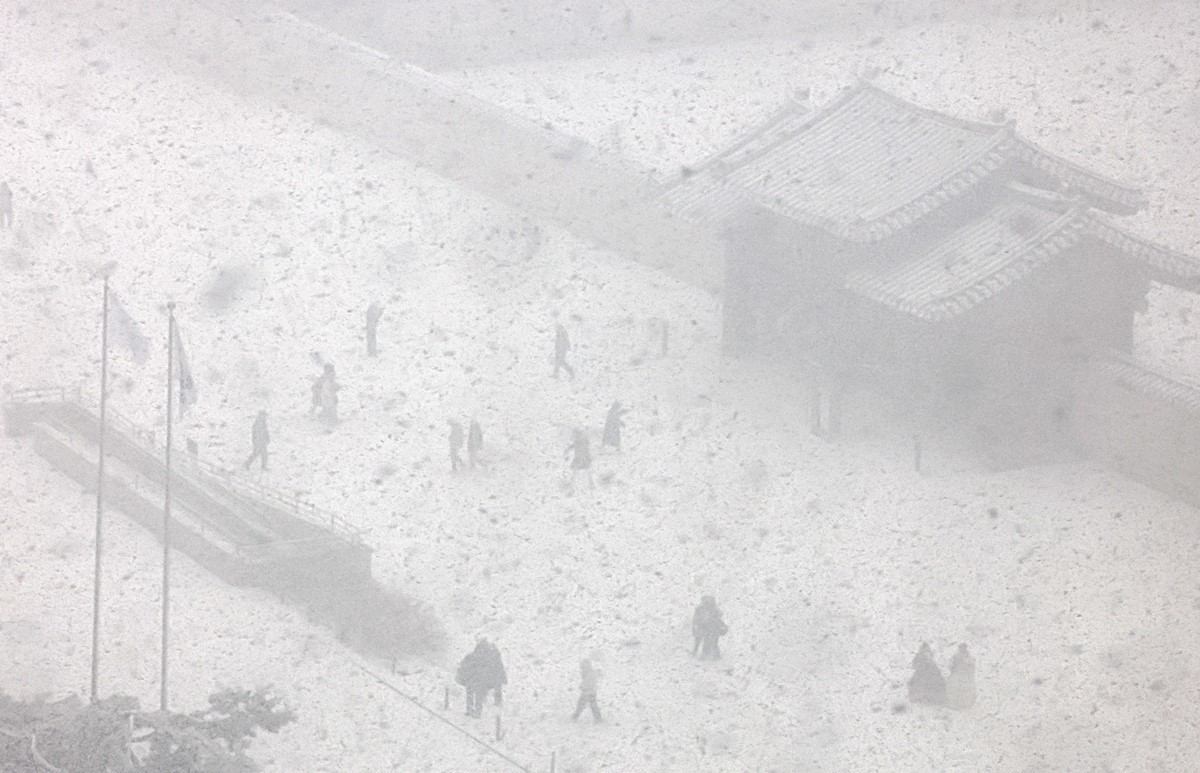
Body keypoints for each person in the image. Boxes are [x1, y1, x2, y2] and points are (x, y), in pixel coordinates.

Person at [455, 640, 490, 717]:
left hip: (470, 679)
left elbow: (463, 666)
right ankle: (477, 712)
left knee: (470, 695)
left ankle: (470, 710)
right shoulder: (486, 659)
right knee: (478, 696)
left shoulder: (470, 656)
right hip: (479, 680)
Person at [692, 595, 728, 659]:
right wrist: (696, 625)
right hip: (703, 627)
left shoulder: (713, 609)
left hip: (712, 628)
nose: (707, 603)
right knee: (701, 640)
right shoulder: (700, 609)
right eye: (706, 602)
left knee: (711, 642)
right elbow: (696, 618)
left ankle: (711, 655)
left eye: (709, 602)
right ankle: (699, 653)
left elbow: (719, 616)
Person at [945, 643, 976, 710]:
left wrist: (969, 669)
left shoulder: (968, 656)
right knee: (955, 688)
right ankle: (955, 704)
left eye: (964, 648)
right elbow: (951, 665)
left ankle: (964, 704)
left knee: (965, 690)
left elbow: (972, 665)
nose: (963, 649)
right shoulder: (956, 656)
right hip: (957, 674)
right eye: (962, 648)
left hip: (965, 676)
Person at [480, 640, 507, 707]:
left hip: (493, 675)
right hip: (494, 675)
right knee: (495, 687)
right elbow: (500, 667)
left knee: (492, 687)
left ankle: (493, 701)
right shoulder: (495, 656)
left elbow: (500, 667)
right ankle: (495, 702)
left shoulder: (488, 655)